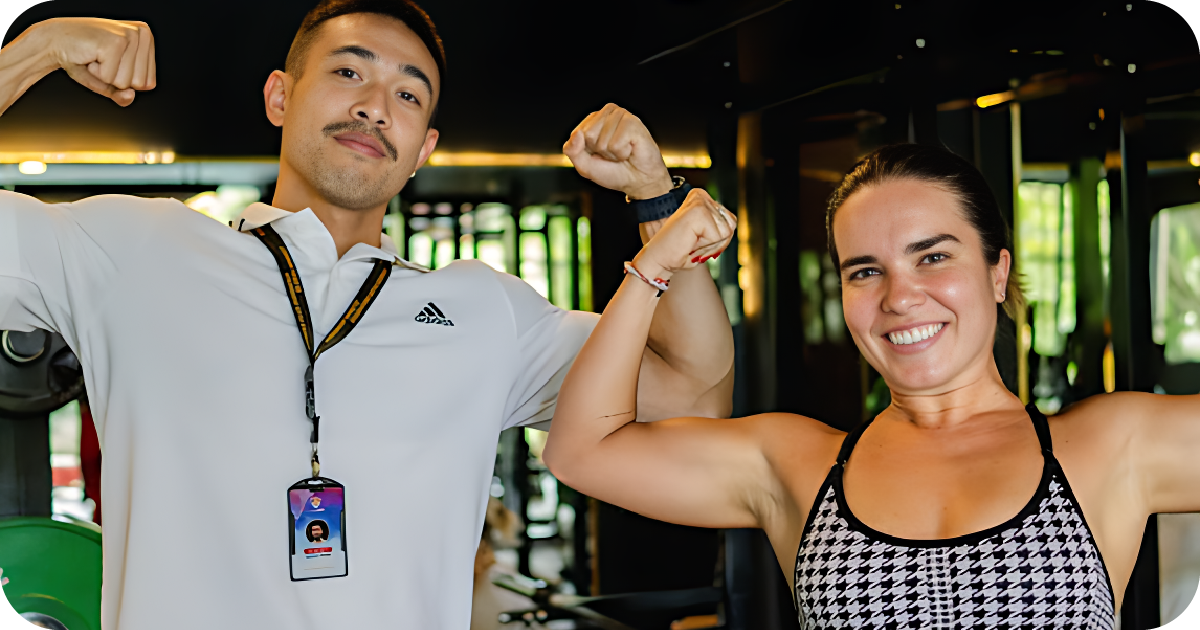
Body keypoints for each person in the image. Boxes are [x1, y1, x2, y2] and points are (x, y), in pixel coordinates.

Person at [0, 2, 735, 628]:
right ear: (279, 97)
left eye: (408, 96)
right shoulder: (137, 250)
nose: (375, 107)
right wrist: (36, 49)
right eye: (349, 72)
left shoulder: (482, 311)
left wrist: (657, 198)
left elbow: (693, 395)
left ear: (424, 150)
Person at [546, 142, 1200, 628]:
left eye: (933, 257)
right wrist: (654, 257)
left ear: (997, 273)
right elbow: (583, 449)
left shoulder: (1115, 445)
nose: (899, 296)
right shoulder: (797, 465)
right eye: (865, 271)